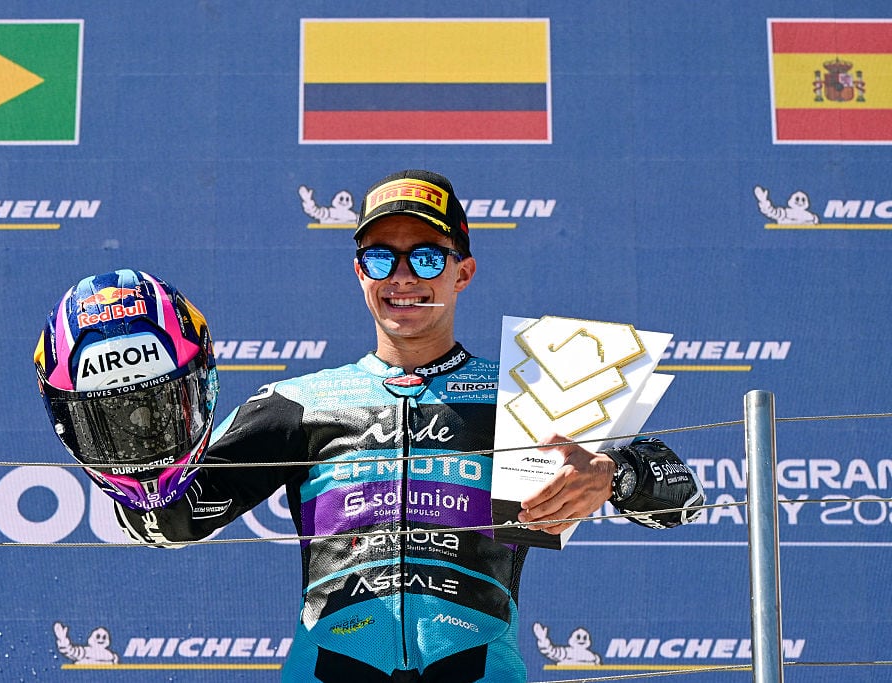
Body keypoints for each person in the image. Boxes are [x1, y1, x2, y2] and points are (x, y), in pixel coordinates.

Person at [35, 170, 704, 683]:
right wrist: (129, 446)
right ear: (360, 272)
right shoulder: (299, 403)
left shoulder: (530, 391)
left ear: (464, 271)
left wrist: (614, 476)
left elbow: (683, 497)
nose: (403, 276)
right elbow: (171, 520)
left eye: (427, 257)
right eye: (382, 258)